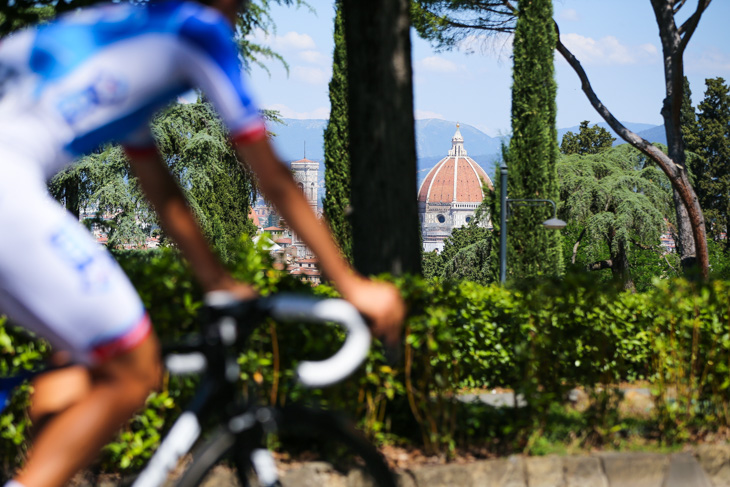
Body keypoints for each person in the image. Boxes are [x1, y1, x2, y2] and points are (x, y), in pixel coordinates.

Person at [0, 0, 406, 486]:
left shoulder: (123, 28)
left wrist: (215, 279)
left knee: (75, 361)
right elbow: (272, 175)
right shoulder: (197, 30)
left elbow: (157, 182)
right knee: (134, 367)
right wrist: (351, 284)